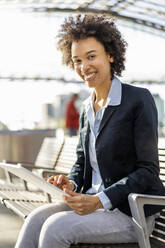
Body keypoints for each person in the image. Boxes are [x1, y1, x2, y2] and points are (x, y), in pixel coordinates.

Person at [15, 14, 165, 248]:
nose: (84, 67)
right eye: (77, 60)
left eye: (91, 56)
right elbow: (82, 163)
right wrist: (71, 184)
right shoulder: (86, 108)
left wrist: (99, 201)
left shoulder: (138, 100)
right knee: (36, 220)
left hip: (130, 211)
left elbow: (148, 170)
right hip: (92, 202)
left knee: (56, 228)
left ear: (111, 55)